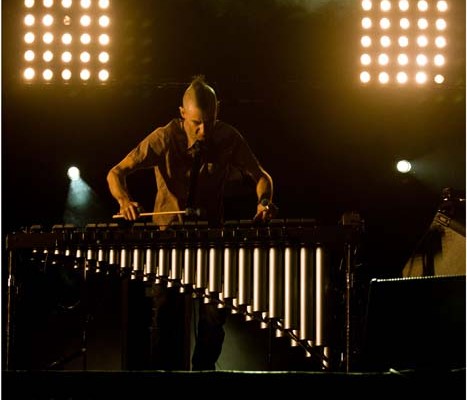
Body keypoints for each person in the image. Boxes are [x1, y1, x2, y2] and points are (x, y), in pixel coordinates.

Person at [107, 74, 277, 370]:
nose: (202, 130)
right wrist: (125, 201)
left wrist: (263, 202)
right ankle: (165, 377)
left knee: (214, 316)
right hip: (169, 239)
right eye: (195, 122)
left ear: (217, 112)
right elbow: (116, 172)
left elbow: (261, 177)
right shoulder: (164, 137)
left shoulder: (228, 137)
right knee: (165, 313)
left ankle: (203, 376)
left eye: (208, 122)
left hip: (210, 240)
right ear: (182, 113)